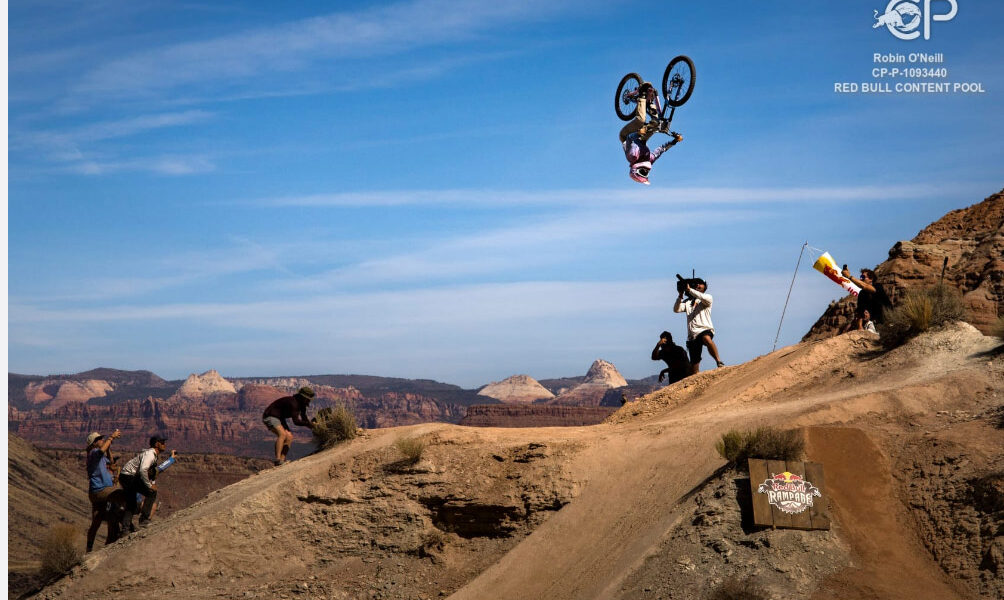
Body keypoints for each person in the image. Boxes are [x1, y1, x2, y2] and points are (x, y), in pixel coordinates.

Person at [619, 82, 683, 185]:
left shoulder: (632, 157)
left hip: (626, 135)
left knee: (640, 120)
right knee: (657, 124)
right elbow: (661, 149)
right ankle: (651, 101)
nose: (646, 171)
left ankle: (642, 95)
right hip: (642, 139)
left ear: (635, 170)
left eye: (642, 172)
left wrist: (638, 133)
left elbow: (629, 138)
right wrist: (675, 141)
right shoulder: (650, 159)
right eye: (646, 173)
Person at [673, 278, 725, 374]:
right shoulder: (687, 302)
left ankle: (719, 361)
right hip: (692, 335)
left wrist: (690, 290)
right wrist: (680, 294)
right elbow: (676, 309)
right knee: (694, 365)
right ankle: (696, 378)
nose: (698, 285)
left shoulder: (707, 297)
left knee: (706, 338)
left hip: (704, 329)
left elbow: (702, 297)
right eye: (696, 284)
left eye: (700, 284)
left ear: (705, 286)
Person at [85, 430, 126, 552]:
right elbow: (101, 451)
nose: (102, 440)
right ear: (94, 443)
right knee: (122, 495)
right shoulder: (93, 453)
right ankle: (126, 526)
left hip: (100, 491)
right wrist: (111, 438)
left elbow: (111, 461)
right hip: (101, 490)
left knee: (97, 520)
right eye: (99, 439)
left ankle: (90, 549)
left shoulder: (100, 457)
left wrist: (108, 447)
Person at [119, 435, 167, 532]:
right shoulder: (150, 454)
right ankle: (143, 520)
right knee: (151, 492)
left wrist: (151, 482)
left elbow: (149, 472)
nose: (164, 444)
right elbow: (143, 470)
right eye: (162, 443)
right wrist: (149, 485)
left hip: (128, 476)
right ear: (156, 444)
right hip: (128, 476)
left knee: (131, 502)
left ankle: (125, 529)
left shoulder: (153, 454)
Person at [262, 386, 316, 466]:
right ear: (303, 397)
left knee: (289, 437)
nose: (309, 401)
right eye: (308, 399)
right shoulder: (293, 403)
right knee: (282, 434)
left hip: (280, 418)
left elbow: (304, 419)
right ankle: (277, 460)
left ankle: (282, 460)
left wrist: (314, 427)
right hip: (270, 416)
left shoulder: (302, 404)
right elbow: (296, 422)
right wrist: (310, 424)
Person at [841, 266, 892, 331]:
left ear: (871, 279)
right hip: (873, 323)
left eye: (863, 277)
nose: (861, 279)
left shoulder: (878, 287)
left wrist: (849, 277)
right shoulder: (862, 294)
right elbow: (860, 311)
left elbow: (865, 286)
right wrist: (860, 327)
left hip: (888, 321)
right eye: (861, 277)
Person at [135, 450, 177, 521]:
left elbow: (161, 467)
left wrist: (172, 458)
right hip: (134, 502)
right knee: (152, 506)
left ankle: (143, 520)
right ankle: (144, 521)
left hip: (134, 502)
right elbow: (161, 468)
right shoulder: (142, 472)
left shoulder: (140, 469)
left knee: (152, 504)